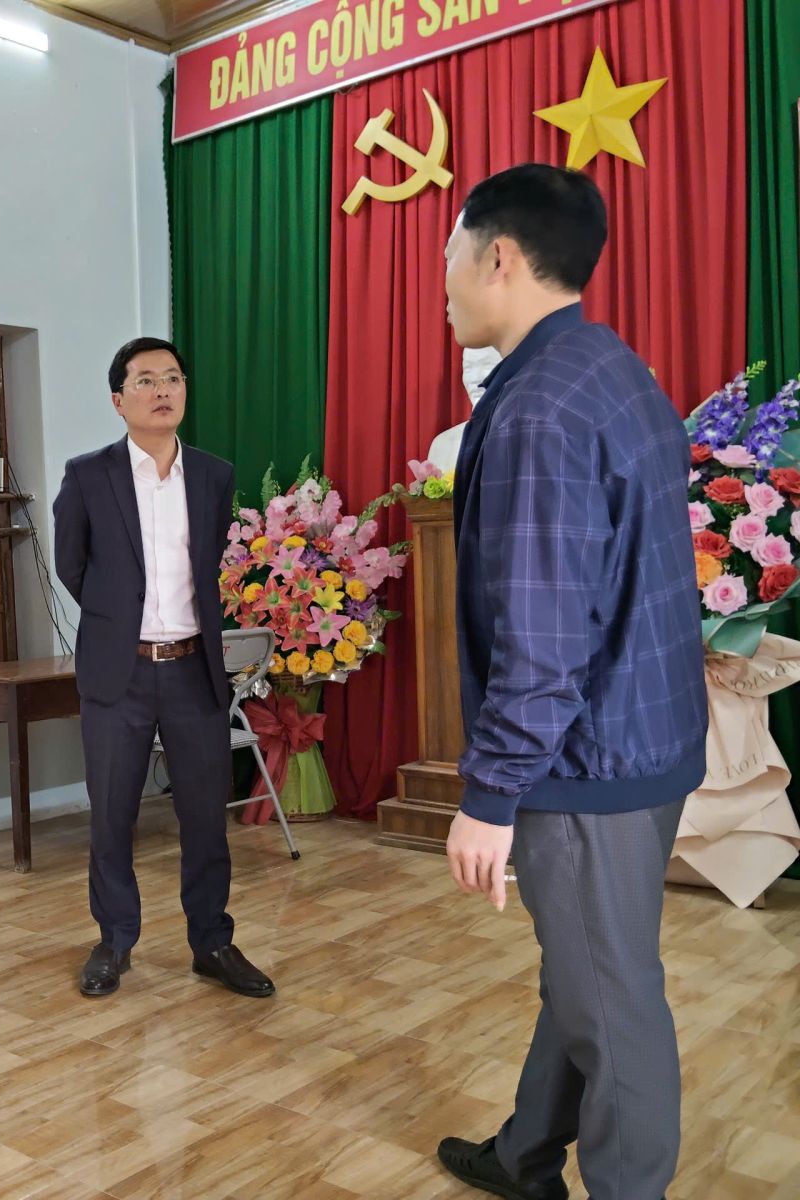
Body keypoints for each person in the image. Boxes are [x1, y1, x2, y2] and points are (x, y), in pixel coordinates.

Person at [437, 164, 707, 1200]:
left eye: (452, 257)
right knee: (588, 966)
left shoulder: (540, 409)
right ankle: (524, 1156)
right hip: (642, 737)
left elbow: (543, 634)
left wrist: (489, 795)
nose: (445, 282)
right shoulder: (609, 368)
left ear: (498, 258)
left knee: (612, 999)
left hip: (585, 760)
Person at [52, 337, 276, 1001]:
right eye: (146, 380)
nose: (163, 391)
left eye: (173, 378)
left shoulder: (212, 475)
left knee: (205, 817)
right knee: (111, 815)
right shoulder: (88, 476)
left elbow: (208, 563)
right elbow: (71, 565)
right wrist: (120, 620)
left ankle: (212, 942)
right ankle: (114, 941)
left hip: (193, 669)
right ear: (118, 400)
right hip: (117, 673)